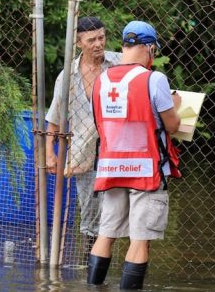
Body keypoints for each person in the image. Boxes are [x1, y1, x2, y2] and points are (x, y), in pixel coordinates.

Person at [86, 20, 182, 290]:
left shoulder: (101, 81)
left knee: (106, 234)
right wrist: (174, 104)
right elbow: (172, 125)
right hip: (146, 170)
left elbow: (101, 124)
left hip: (111, 169)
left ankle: (93, 287)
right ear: (150, 49)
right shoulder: (155, 79)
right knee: (139, 240)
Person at [45, 16, 121, 242]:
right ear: (79, 43)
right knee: (89, 211)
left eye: (101, 37)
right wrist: (50, 152)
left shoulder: (119, 64)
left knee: (116, 210)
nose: (98, 44)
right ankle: (91, 263)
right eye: (91, 40)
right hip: (84, 151)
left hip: (116, 148)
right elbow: (55, 117)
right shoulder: (68, 76)